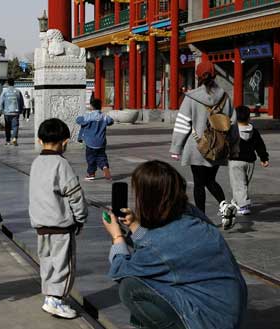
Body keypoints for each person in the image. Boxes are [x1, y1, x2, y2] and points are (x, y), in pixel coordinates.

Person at [102, 160, 247, 329]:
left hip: (209, 321)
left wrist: (117, 236)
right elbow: (163, 249)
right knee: (152, 277)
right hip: (228, 310)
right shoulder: (191, 214)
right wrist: (135, 226)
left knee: (131, 287)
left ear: (147, 200)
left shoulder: (161, 242)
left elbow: (120, 270)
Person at [29, 118, 88, 319]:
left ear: (39, 140)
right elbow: (75, 194)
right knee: (64, 265)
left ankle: (49, 296)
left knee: (47, 262)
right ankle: (57, 299)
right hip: (61, 226)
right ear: (64, 142)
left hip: (41, 225)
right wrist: (80, 217)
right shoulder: (61, 164)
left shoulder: (36, 162)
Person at [170, 60, 238, 217]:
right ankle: (224, 205)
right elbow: (232, 124)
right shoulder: (226, 97)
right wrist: (234, 146)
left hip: (197, 147)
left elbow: (182, 123)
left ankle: (202, 218)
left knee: (199, 184)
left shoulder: (191, 97)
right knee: (210, 180)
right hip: (219, 146)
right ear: (214, 75)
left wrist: (176, 148)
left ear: (198, 76)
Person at [228, 105, 269, 215]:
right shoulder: (253, 131)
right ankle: (237, 201)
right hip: (250, 162)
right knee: (244, 183)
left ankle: (243, 206)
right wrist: (264, 158)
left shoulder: (232, 130)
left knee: (238, 184)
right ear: (248, 118)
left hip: (235, 161)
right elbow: (260, 145)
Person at [76, 98, 114, 181]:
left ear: (91, 106)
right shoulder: (104, 116)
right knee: (101, 156)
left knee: (91, 158)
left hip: (90, 142)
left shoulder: (88, 116)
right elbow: (111, 121)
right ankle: (104, 167)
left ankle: (91, 174)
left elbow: (78, 120)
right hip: (101, 142)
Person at [0, 78, 24, 146]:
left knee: (7, 127)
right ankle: (14, 138)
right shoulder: (18, 91)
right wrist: (21, 109)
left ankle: (8, 140)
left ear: (7, 83)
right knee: (15, 126)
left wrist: (1, 110)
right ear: (14, 83)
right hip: (16, 111)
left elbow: (1, 102)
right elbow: (21, 101)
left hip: (7, 112)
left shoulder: (4, 91)